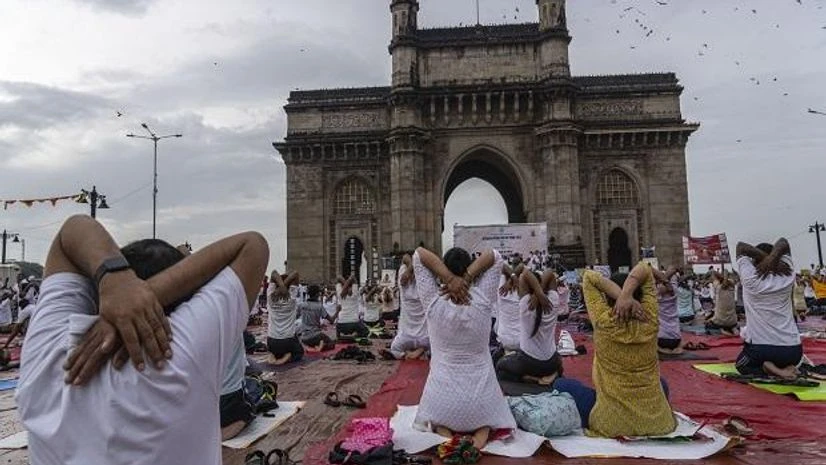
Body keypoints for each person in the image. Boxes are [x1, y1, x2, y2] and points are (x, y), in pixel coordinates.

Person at [16, 215, 268, 465]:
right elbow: (252, 246)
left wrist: (115, 280)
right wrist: (144, 295)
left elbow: (71, 231)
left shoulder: (44, 352)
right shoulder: (181, 356)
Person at [413, 247, 516, 449]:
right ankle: (481, 433)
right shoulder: (483, 298)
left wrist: (449, 279)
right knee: (486, 417)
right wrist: (466, 278)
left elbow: (418, 255)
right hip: (482, 403)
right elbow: (494, 255)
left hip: (443, 402)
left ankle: (445, 431)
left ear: (443, 267)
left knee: (436, 418)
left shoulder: (433, 302)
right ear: (469, 266)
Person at [580, 263, 676, 437]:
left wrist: (621, 297)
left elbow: (588, 277)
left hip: (611, 425)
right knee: (661, 384)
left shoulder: (603, 322)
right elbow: (644, 268)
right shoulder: (650, 319)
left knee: (565, 387)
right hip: (659, 423)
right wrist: (627, 296)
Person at [735, 239, 801, 379]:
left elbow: (741, 247)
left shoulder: (750, 279)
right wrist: (772, 259)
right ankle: (787, 367)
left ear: (753, 262)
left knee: (742, 365)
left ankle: (775, 370)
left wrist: (765, 259)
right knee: (788, 359)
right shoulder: (788, 274)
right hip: (794, 351)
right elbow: (783, 242)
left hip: (763, 350)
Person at [495, 269, 561, 384]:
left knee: (500, 366)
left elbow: (525, 274)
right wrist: (540, 293)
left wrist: (537, 293)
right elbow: (549, 272)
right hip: (552, 362)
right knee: (558, 361)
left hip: (530, 363)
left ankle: (531, 379)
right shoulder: (552, 302)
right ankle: (551, 375)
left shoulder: (526, 305)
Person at [389, 255, 429, 360]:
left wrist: (409, 269)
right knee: (437, 348)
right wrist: (413, 268)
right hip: (425, 337)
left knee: (394, 349)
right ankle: (421, 351)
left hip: (406, 335)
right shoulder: (426, 288)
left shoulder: (403, 287)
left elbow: (405, 257)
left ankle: (407, 354)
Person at [267, 269, 303, 365]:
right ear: (290, 287)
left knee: (277, 345)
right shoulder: (291, 298)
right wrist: (284, 286)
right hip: (287, 342)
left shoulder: (270, 297)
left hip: (271, 342)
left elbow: (273, 272)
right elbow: (295, 273)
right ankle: (288, 356)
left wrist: (281, 286)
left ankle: (272, 354)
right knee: (300, 352)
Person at [298, 285, 336, 351]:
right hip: (316, 335)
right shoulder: (319, 306)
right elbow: (332, 321)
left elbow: (298, 316)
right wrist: (338, 311)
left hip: (304, 337)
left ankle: (309, 347)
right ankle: (319, 346)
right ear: (317, 294)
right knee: (331, 344)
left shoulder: (302, 305)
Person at [494, 263, 522, 356]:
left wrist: (511, 277)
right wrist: (513, 278)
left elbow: (502, 265)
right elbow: (521, 266)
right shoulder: (522, 291)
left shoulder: (501, 288)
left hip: (504, 339)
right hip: (521, 340)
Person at [655, 267, 682, 354]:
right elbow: (673, 268)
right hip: (676, 339)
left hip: (661, 339)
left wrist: (663, 278)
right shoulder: (675, 291)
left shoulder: (657, 294)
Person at [336, 274, 369, 339]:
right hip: (354, 323)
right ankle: (355, 335)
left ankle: (340, 336)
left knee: (338, 325)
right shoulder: (355, 293)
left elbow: (338, 277)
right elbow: (353, 277)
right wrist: (349, 282)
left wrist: (345, 283)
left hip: (341, 324)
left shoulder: (339, 294)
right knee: (366, 331)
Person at [706, 271, 738, 335]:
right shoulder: (732, 287)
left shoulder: (717, 287)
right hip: (733, 321)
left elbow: (716, 282)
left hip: (720, 320)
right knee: (730, 322)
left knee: (708, 326)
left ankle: (721, 330)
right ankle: (733, 329)